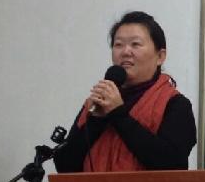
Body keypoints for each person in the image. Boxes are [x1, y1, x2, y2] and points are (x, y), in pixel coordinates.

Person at [53, 11, 196, 172]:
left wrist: (119, 115)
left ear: (160, 57)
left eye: (135, 44)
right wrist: (95, 121)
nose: (125, 52)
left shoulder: (175, 104)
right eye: (118, 45)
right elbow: (65, 166)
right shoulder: (97, 101)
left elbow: (172, 165)